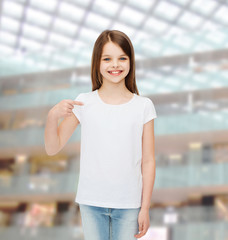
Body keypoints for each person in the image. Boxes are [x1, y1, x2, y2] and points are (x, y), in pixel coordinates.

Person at [44, 29, 157, 240]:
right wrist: (52, 116)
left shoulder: (143, 106)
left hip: (129, 203)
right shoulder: (84, 102)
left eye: (122, 58)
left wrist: (145, 207)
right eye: (107, 59)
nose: (115, 65)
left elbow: (149, 161)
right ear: (97, 63)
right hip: (91, 201)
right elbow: (52, 148)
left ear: (131, 62)